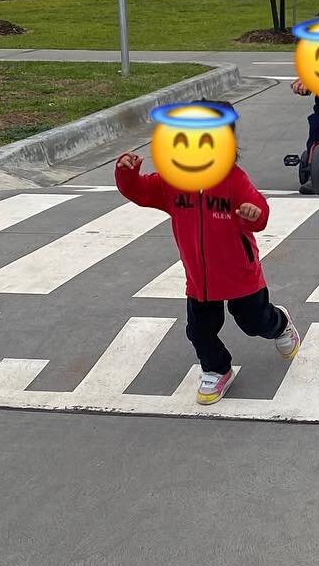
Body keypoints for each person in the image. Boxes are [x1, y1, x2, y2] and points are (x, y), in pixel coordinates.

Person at [115, 147, 301, 406]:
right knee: (199, 330)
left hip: (239, 273)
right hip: (200, 279)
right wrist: (127, 174)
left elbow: (259, 211)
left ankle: (280, 324)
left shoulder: (233, 179)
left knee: (254, 322)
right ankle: (216, 369)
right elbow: (141, 191)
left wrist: (253, 214)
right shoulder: (173, 182)